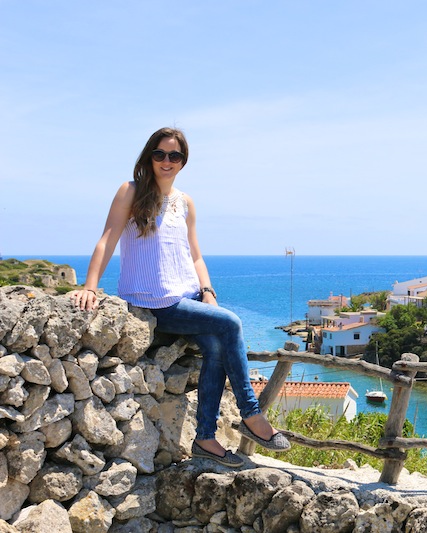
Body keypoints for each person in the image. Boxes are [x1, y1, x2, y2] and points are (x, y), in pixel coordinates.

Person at [72, 127, 290, 467]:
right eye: (160, 154)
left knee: (216, 348)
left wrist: (208, 292)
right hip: (153, 301)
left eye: (174, 155)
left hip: (187, 297)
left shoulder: (185, 202)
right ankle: (251, 414)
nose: (167, 161)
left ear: (183, 161)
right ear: (149, 156)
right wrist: (90, 285)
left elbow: (195, 255)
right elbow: (108, 239)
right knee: (231, 323)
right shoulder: (130, 192)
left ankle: (204, 438)